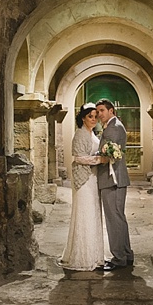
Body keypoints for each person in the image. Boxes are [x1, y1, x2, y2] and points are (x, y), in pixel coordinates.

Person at [58, 103, 109, 271]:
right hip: (83, 178)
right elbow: (78, 158)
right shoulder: (80, 134)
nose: (94, 119)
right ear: (82, 118)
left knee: (93, 213)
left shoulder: (92, 133)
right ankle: (82, 257)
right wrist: (99, 160)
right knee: (84, 214)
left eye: (95, 116)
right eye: (90, 116)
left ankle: (94, 255)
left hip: (93, 177)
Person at [95, 99, 134, 270]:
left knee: (114, 219)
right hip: (114, 179)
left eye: (102, 110)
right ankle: (126, 254)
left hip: (113, 179)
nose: (99, 114)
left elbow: (108, 154)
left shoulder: (113, 127)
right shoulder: (113, 125)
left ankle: (119, 258)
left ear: (112, 111)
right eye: (98, 111)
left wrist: (93, 157)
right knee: (119, 217)